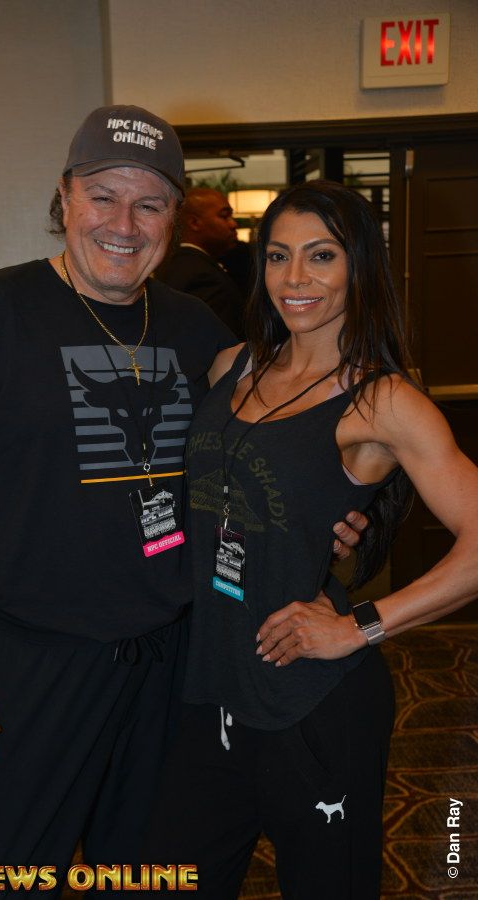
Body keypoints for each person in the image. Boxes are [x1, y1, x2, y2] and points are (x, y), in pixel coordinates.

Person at [0, 110, 365, 895]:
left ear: (173, 218)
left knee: (148, 875)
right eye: (103, 196)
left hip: (170, 666)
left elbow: (278, 446)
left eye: (149, 204)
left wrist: (342, 519)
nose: (123, 224)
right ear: (65, 196)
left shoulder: (195, 329)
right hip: (29, 665)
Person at [143, 180, 478, 899]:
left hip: (314, 705)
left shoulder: (382, 399)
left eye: (321, 256)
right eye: (278, 256)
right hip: (210, 692)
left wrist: (360, 627)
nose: (295, 278)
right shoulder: (233, 366)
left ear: (359, 267)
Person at [155, 187, 247, 338]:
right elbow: (208, 339)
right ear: (194, 223)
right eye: (224, 216)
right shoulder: (200, 276)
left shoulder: (173, 264)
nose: (233, 224)